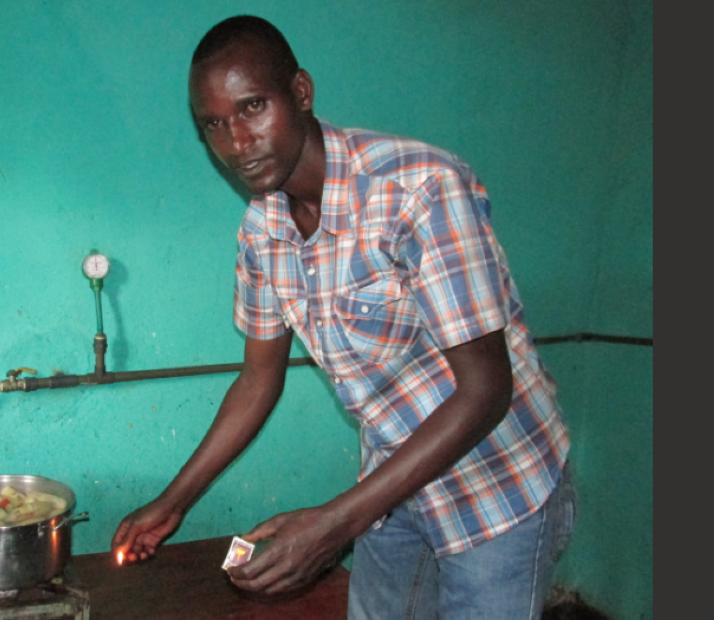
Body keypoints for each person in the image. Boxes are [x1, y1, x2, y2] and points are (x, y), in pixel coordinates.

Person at [111, 14, 575, 620]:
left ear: (301, 92)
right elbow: (258, 379)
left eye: (252, 107)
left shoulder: (417, 189)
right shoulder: (262, 233)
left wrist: (335, 525)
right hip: (394, 487)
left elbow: (486, 390)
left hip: (497, 488)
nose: (237, 143)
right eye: (214, 125)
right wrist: (174, 501)